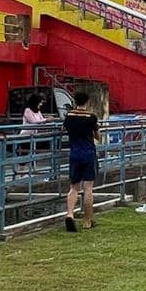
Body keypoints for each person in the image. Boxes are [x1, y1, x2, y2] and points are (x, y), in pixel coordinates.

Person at [62, 90, 99, 232]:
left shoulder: (69, 116)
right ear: (87, 102)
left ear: (75, 102)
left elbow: (65, 128)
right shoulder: (91, 117)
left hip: (74, 153)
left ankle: (70, 214)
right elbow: (97, 136)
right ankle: (87, 220)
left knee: (74, 187)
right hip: (89, 153)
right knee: (88, 187)